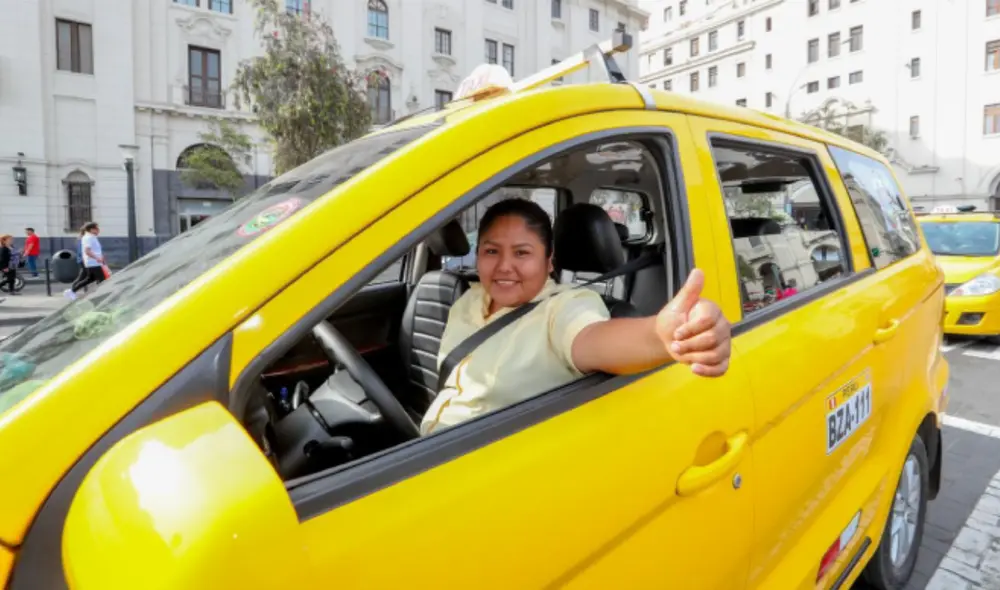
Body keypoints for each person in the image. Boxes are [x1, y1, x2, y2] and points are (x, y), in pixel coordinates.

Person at [421, 199, 732, 435]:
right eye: (491, 252)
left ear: (549, 260)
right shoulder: (468, 298)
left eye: (521, 253)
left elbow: (594, 338)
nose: (504, 266)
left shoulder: (564, 308)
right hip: (429, 450)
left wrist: (664, 335)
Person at [65, 222, 105, 301]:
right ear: (91, 229)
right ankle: (100, 296)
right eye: (97, 228)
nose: (98, 230)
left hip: (94, 262)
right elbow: (87, 251)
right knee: (102, 279)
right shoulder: (88, 238)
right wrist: (97, 257)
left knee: (90, 279)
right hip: (93, 262)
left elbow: (95, 249)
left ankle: (72, 291)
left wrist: (101, 257)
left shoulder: (92, 237)